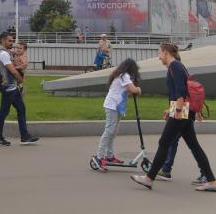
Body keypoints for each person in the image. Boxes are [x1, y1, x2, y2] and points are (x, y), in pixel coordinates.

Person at [131, 42, 216, 192]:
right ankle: (211, 181)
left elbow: (181, 91)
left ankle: (149, 178)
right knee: (194, 146)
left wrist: (176, 110)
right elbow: (180, 92)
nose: (158, 56)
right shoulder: (177, 66)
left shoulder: (175, 66)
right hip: (185, 110)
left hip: (182, 111)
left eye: (159, 52)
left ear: (165, 52)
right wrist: (170, 109)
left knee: (164, 142)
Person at [91, 58, 141, 172]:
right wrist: (138, 89)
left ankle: (109, 156)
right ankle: (99, 157)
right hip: (112, 106)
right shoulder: (124, 75)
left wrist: (133, 90)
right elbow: (132, 89)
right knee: (109, 131)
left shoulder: (122, 75)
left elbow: (126, 91)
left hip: (116, 106)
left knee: (113, 132)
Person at [0, 31, 38, 146]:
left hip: (12, 88)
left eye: (12, 41)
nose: (12, 43)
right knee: (3, 112)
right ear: (3, 40)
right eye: (9, 41)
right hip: (8, 88)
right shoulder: (3, 54)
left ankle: (25, 136)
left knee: (21, 109)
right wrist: (21, 80)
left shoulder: (6, 52)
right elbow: (12, 70)